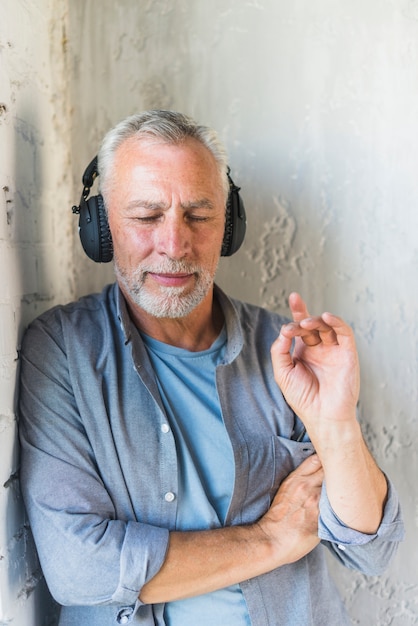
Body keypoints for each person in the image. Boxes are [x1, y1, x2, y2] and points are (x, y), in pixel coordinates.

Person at [18, 110, 404, 626]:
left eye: (198, 216)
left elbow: (370, 547)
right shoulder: (63, 350)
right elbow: (80, 571)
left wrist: (336, 424)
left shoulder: (285, 351)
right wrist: (272, 538)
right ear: (102, 227)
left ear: (229, 225)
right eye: (146, 217)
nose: (174, 246)